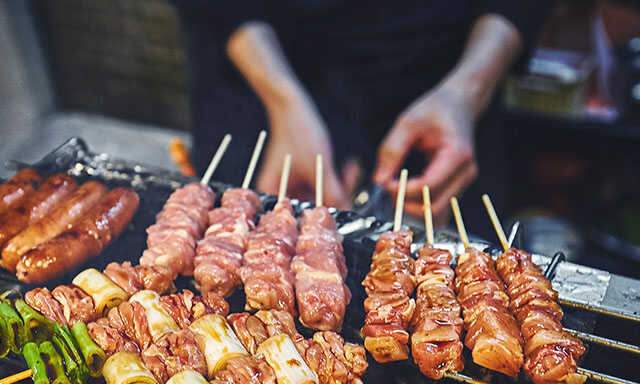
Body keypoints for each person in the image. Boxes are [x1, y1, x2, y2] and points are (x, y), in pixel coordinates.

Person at [171, 2, 553, 233]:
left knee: (466, 265)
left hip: (446, 84)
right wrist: (281, 99)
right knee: (236, 247)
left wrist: (469, 90)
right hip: (255, 71)